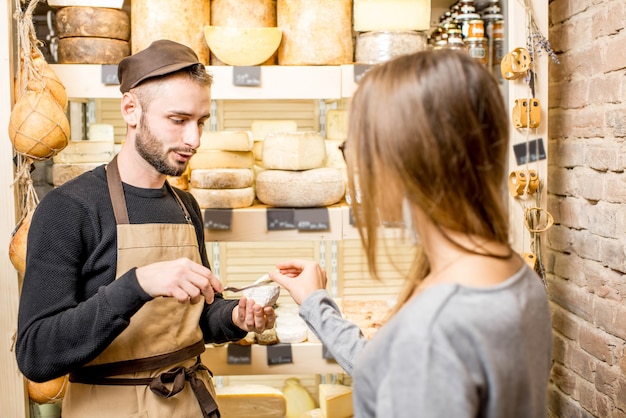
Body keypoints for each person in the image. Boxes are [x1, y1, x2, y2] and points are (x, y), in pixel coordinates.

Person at [269, 49, 553, 418]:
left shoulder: (431, 331)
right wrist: (316, 304)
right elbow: (393, 370)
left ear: (404, 159)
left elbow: (417, 356)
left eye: (355, 148)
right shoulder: (514, 273)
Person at [15, 39, 275, 418]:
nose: (194, 139)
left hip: (190, 405)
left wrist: (234, 318)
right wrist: (137, 284)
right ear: (131, 110)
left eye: (201, 121)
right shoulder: (69, 209)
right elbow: (37, 355)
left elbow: (195, 320)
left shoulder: (186, 207)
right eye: (178, 120)